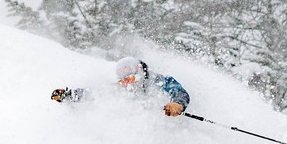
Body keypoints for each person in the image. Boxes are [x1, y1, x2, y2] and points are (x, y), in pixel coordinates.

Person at [51, 56, 191, 116]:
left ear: (139, 71)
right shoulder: (121, 90)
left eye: (130, 78)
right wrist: (69, 95)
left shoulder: (158, 80)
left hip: (166, 129)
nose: (127, 83)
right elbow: (96, 93)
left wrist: (177, 104)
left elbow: (179, 91)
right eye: (123, 80)